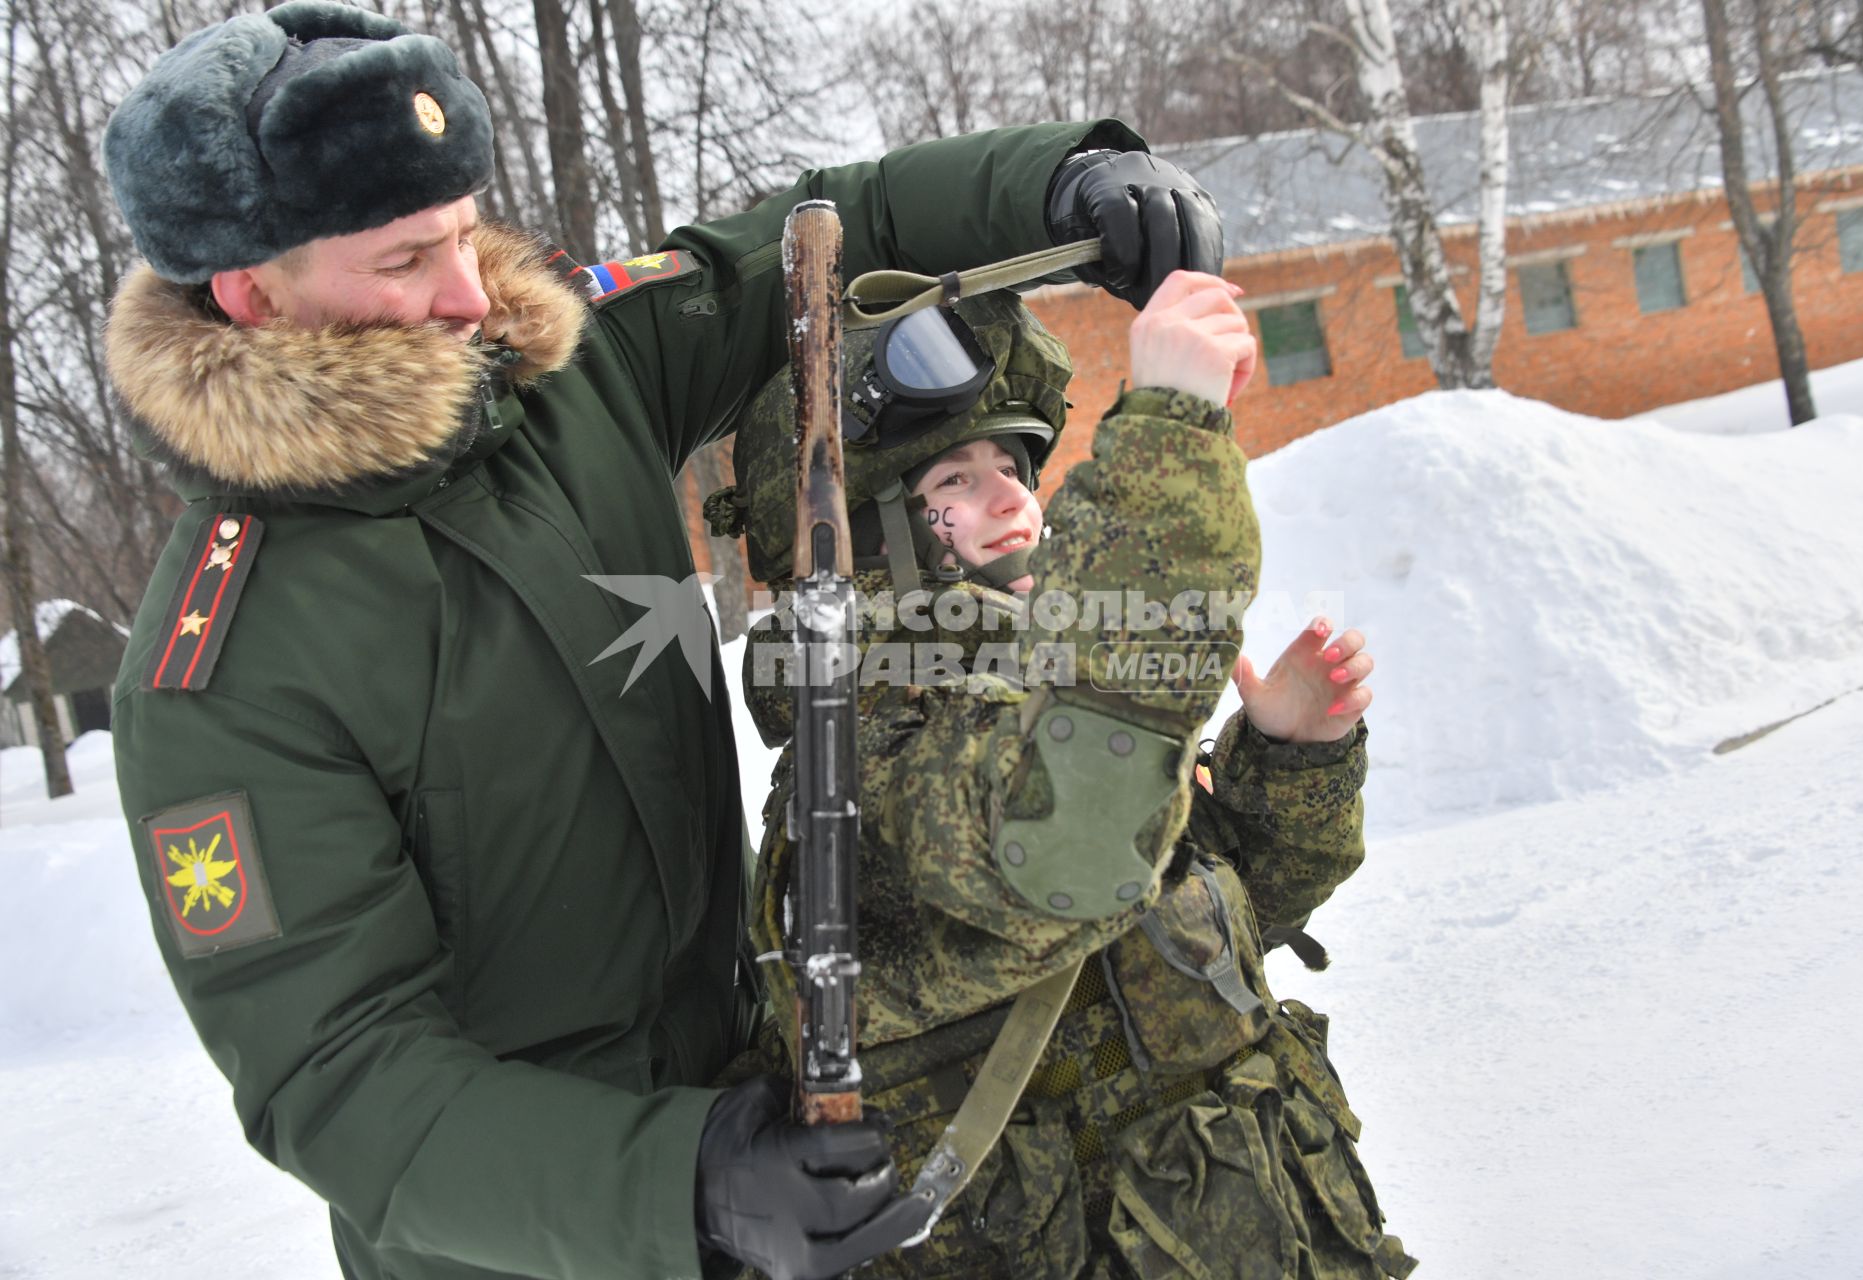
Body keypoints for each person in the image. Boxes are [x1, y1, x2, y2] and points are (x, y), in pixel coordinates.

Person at [100, 4, 1229, 1278]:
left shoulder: (567, 376)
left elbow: (825, 229)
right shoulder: (223, 669)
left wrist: (1061, 180)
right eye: (408, 259)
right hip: (535, 1236)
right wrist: (678, 1180)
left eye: (469, 231)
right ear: (255, 296)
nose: (472, 294)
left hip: (758, 1124)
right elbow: (342, 1083)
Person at [712, 274, 1415, 1277]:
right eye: (953, 482)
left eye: (1013, 465)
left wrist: (1287, 755)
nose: (1012, 498)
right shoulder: (861, 759)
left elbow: (1217, 932)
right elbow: (1065, 851)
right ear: (867, 540)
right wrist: (1170, 431)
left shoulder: (1033, 689)